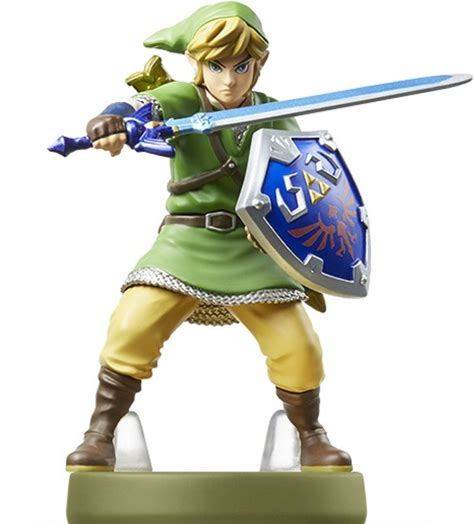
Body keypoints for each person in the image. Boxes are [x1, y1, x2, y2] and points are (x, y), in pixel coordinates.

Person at [66, 1, 352, 473]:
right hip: (186, 242)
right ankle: (100, 433)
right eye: (216, 66)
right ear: (198, 65)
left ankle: (311, 437)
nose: (229, 81)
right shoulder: (183, 100)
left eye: (241, 67)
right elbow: (141, 106)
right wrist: (112, 121)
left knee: (299, 346)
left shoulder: (276, 115)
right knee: (132, 325)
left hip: (253, 247)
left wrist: (303, 249)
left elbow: (307, 183)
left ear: (259, 64)